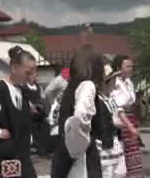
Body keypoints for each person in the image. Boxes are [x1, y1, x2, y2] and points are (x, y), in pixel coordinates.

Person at [51, 48, 127, 177]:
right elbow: (81, 116)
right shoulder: (88, 86)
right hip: (82, 156)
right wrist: (82, 140)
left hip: (64, 153)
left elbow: (55, 118)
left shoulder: (70, 87)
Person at [0, 46, 38, 178]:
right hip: (6, 159)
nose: (31, 77)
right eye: (28, 72)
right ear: (14, 68)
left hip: (23, 157)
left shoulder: (22, 92)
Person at [111, 55, 142, 178]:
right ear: (119, 67)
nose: (131, 69)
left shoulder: (129, 82)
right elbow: (117, 107)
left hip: (131, 118)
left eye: (131, 66)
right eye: (127, 66)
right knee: (123, 151)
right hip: (121, 119)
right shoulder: (114, 83)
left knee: (133, 153)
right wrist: (128, 125)